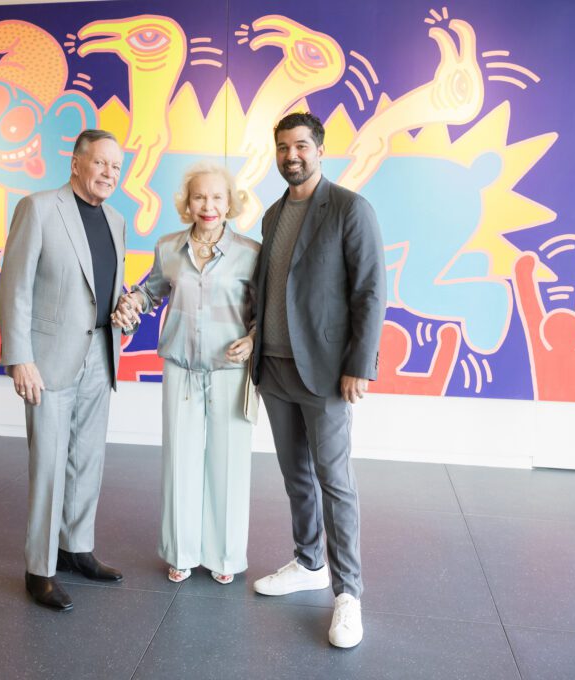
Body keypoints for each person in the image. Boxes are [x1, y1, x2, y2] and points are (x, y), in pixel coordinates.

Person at [249, 112, 386, 648]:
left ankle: (348, 592)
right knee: (296, 477)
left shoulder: (350, 209)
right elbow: (270, 291)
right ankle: (309, 562)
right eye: (283, 147)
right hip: (275, 370)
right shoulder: (271, 215)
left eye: (301, 146)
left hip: (327, 374)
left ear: (320, 150)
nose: (291, 156)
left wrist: (360, 364)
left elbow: (370, 291)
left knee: (335, 482)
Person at [0, 129, 127, 611]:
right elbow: (15, 286)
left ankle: (76, 549)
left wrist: (123, 311)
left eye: (117, 167)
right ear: (76, 163)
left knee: (87, 458)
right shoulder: (38, 207)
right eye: (101, 164)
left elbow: (103, 285)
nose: (110, 174)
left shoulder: (115, 219)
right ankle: (40, 570)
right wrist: (19, 357)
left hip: (100, 351)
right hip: (48, 358)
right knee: (50, 462)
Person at [113, 163, 259, 585]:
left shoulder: (250, 252)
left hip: (231, 369)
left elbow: (266, 313)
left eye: (217, 198)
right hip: (180, 366)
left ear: (229, 203)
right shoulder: (168, 248)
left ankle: (225, 556)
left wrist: (252, 339)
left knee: (228, 465)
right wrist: (131, 305)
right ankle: (181, 551)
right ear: (187, 203)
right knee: (180, 459)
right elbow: (150, 291)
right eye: (199, 197)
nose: (208, 206)